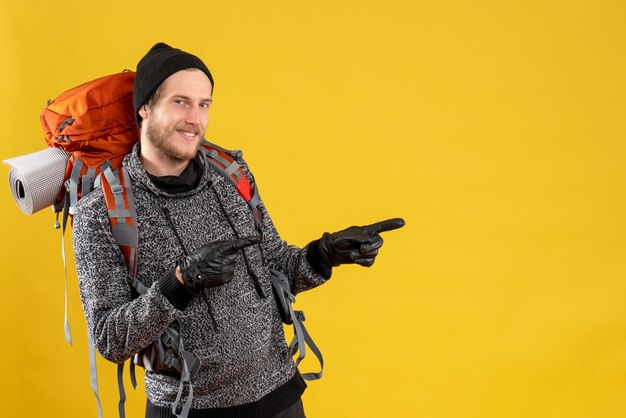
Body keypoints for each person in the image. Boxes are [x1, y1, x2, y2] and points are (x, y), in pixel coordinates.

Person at [73, 42, 405, 418]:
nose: (195, 119)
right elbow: (109, 338)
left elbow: (276, 263)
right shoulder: (102, 212)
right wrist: (180, 282)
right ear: (145, 108)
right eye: (180, 102)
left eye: (204, 104)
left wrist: (323, 254)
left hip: (279, 396)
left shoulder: (231, 173)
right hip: (188, 410)